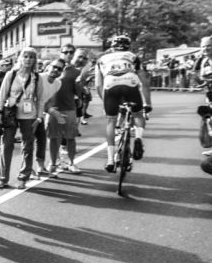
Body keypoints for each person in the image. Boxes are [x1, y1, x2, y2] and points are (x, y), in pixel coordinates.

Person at [0, 47, 59, 189]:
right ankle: (3, 178)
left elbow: (40, 100)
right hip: (11, 113)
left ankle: (23, 177)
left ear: (35, 60)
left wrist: (39, 118)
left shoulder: (36, 77)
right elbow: (2, 95)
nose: (28, 59)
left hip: (29, 114)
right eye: (26, 56)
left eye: (31, 57)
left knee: (28, 145)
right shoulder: (11, 74)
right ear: (21, 58)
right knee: (7, 145)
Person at [93, 35, 150, 173]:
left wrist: (105, 101)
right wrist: (147, 103)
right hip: (130, 82)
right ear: (128, 46)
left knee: (111, 121)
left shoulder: (101, 59)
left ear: (112, 47)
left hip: (110, 84)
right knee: (138, 114)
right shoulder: (132, 56)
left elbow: (98, 85)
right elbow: (144, 82)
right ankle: (138, 138)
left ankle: (110, 160)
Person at [45, 54, 85, 174]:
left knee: (70, 137)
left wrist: (79, 84)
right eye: (66, 51)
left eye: (71, 52)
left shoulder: (76, 72)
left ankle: (71, 163)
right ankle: (53, 163)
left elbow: (78, 92)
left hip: (68, 109)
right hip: (53, 110)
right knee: (53, 137)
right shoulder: (45, 75)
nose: (68, 54)